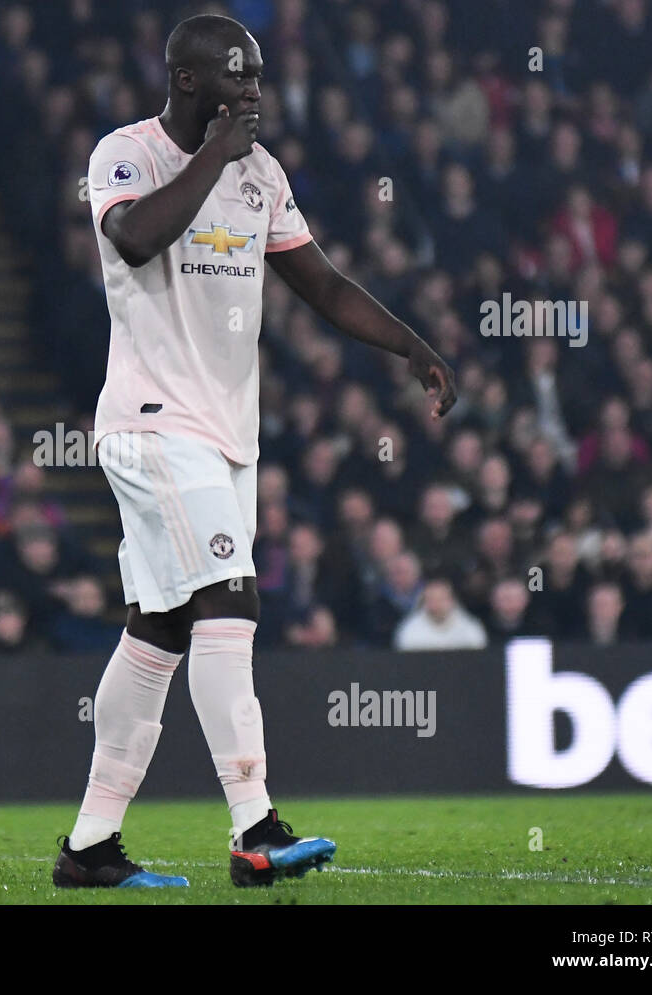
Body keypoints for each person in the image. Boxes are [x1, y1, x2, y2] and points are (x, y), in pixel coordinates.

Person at [56, 13, 456, 890]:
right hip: (153, 421)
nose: (253, 94)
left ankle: (89, 845)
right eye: (237, 78)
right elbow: (133, 237)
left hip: (228, 436)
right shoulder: (124, 154)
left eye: (260, 80)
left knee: (159, 629)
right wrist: (214, 154)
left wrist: (413, 347)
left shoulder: (261, 176)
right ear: (189, 81)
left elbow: (320, 283)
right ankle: (255, 826)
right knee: (230, 599)